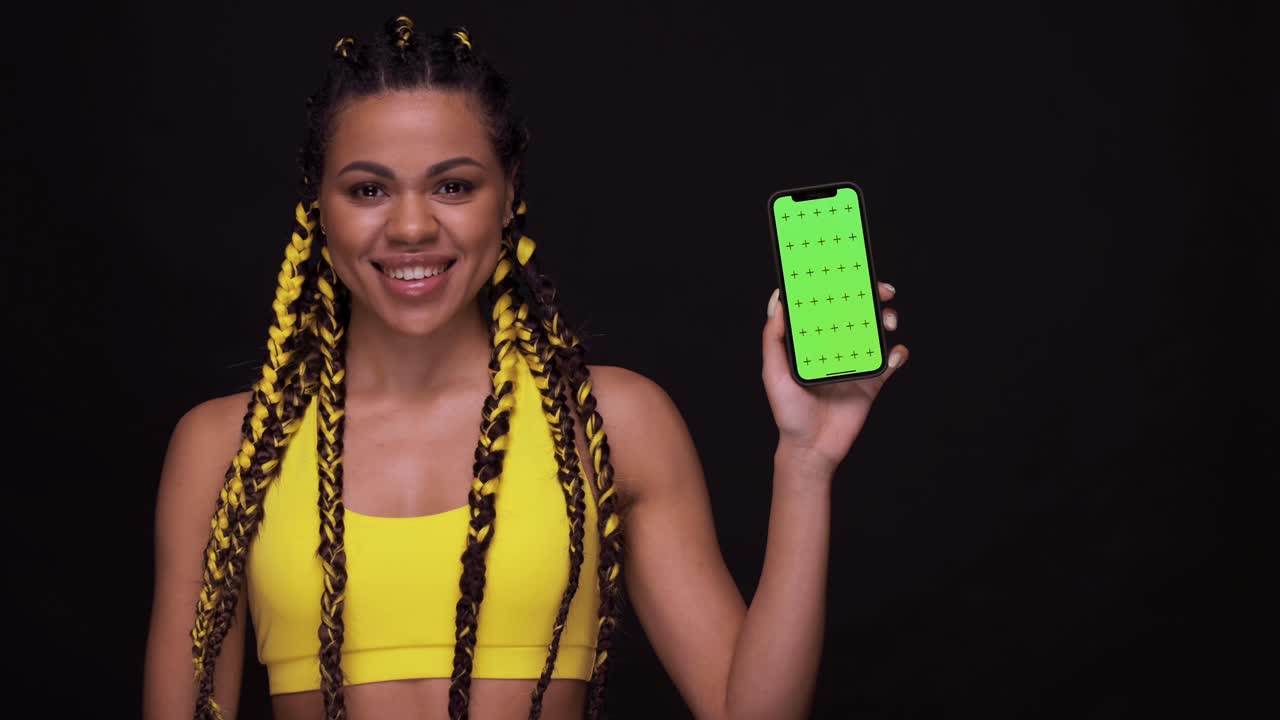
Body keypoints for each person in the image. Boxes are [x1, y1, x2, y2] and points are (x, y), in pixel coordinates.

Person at [143, 15, 909, 720]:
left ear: (508, 196)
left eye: (453, 186)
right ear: (319, 205)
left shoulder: (613, 421)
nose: (410, 227)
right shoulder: (224, 448)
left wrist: (805, 462)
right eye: (368, 189)